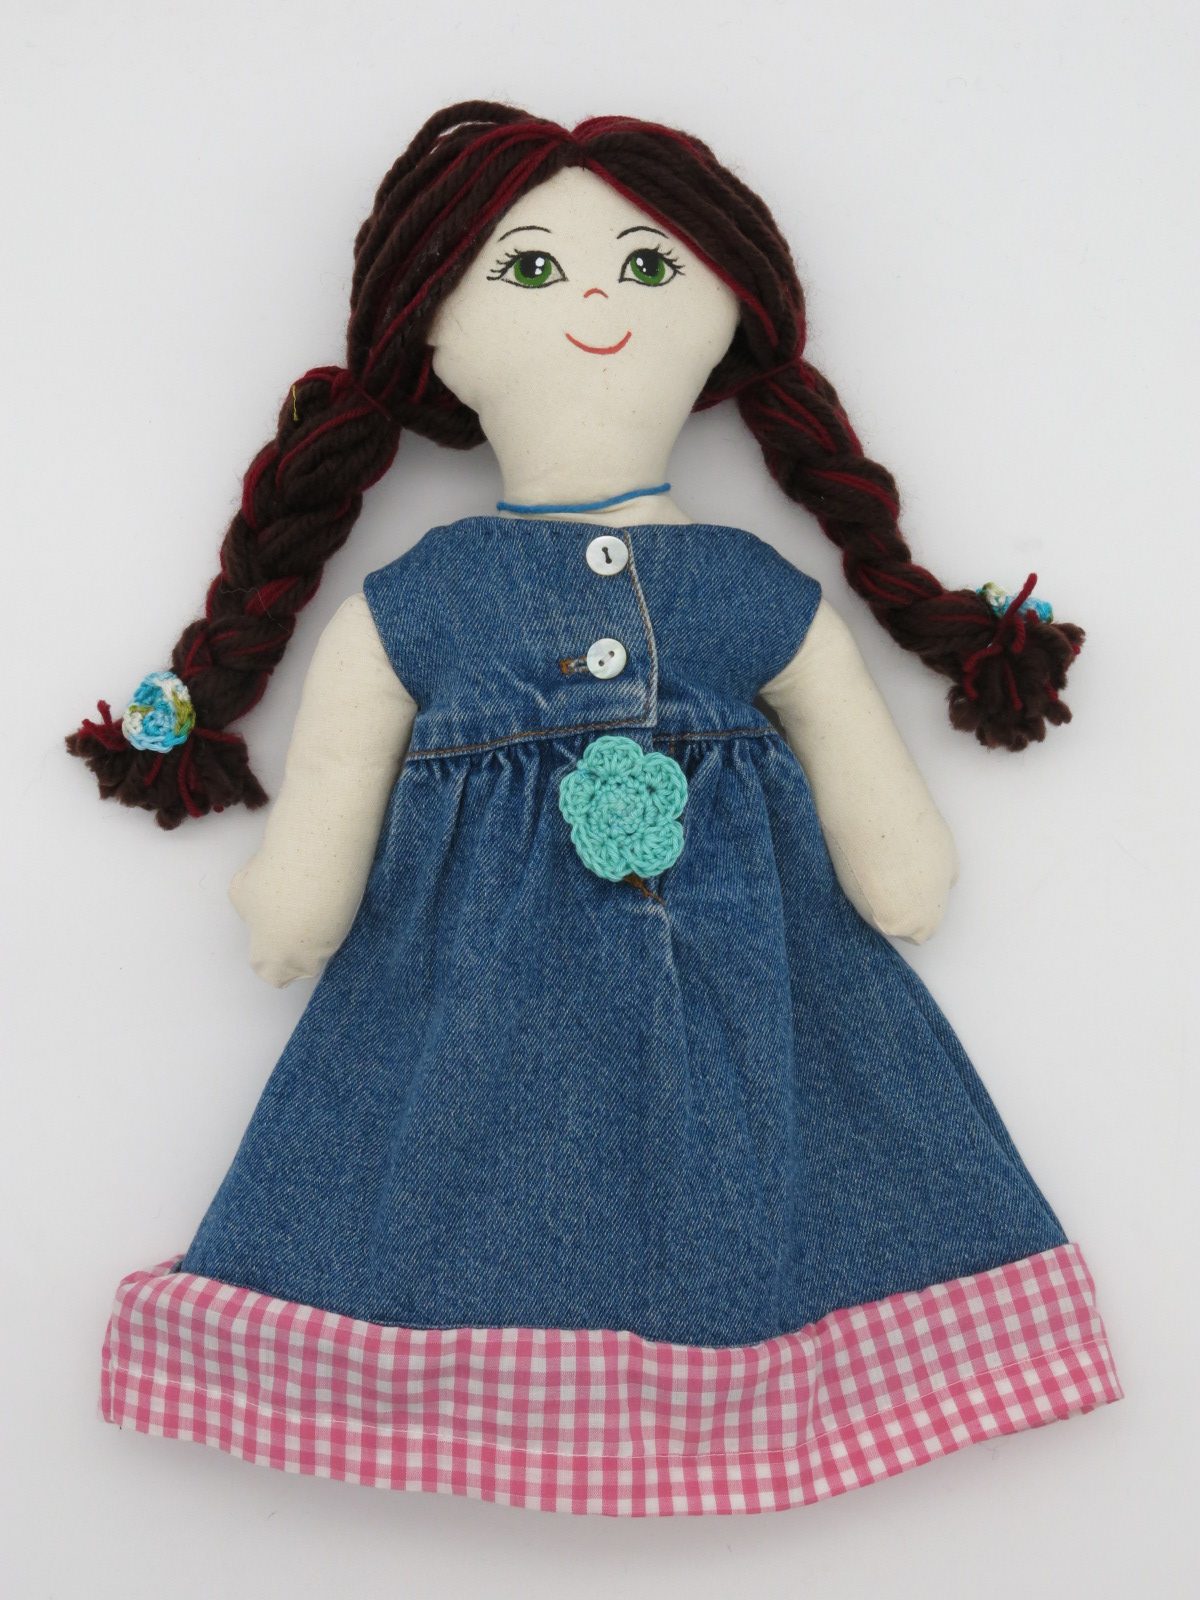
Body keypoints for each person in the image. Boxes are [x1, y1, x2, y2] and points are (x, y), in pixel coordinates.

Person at [80, 101, 1119, 1516]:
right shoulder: (427, 596)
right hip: (465, 994)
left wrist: (902, 861)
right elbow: (331, 793)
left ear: (726, 319)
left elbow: (876, 812)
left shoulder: (747, 585)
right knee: (446, 1178)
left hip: (760, 983)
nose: (592, 301)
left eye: (645, 267)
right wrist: (298, 893)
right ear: (434, 339)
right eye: (528, 268)